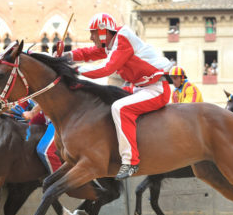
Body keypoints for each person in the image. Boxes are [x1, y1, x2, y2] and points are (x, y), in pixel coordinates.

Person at [63, 12, 172, 180]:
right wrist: (69, 56)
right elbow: (91, 53)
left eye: (93, 33)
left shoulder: (122, 40)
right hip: (139, 88)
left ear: (103, 32)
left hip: (156, 89)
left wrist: (74, 70)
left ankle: (130, 161)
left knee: (119, 108)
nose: (91, 37)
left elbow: (106, 68)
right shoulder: (112, 42)